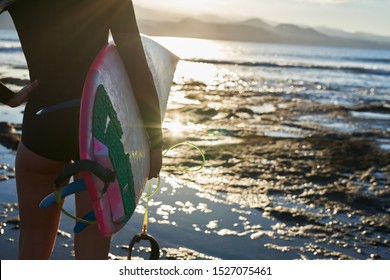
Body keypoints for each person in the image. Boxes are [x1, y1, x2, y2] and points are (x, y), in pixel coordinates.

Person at [0, 0, 163, 259]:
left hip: (43, 124)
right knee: (92, 259)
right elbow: (134, 60)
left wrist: (8, 97)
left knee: (32, 248)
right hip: (97, 127)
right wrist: (155, 142)